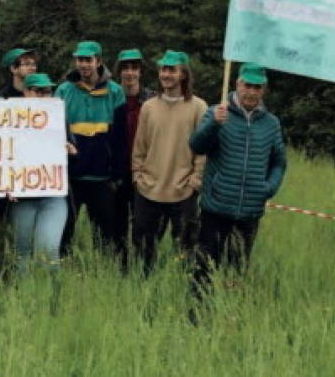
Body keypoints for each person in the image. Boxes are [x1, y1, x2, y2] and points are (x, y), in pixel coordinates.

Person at [188, 63, 286, 301]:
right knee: (204, 269)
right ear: (237, 84)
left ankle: (230, 316)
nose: (251, 92)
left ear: (264, 90)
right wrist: (214, 124)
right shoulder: (216, 113)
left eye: (257, 87)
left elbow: (279, 163)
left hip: (249, 213)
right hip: (216, 208)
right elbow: (196, 145)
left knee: (236, 272)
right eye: (247, 85)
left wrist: (268, 189)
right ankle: (196, 318)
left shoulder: (271, 124)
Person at [131, 51, 207, 275]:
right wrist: (137, 175)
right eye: (163, 69)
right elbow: (140, 146)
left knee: (185, 251)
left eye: (171, 70)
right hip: (149, 188)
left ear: (183, 74)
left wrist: (196, 180)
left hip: (183, 190)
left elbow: (203, 151)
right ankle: (143, 289)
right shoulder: (149, 107)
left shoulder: (198, 107)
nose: (166, 74)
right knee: (143, 250)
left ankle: (180, 288)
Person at [55, 41, 127, 265]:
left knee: (105, 236)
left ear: (99, 61)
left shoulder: (115, 92)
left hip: (102, 178)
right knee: (65, 232)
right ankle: (63, 270)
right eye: (80, 60)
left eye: (88, 60)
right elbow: (54, 132)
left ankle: (104, 273)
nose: (83, 64)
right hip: (71, 178)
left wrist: (117, 175)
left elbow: (119, 138)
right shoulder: (64, 90)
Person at [8, 73, 74, 274]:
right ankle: (25, 300)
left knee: (49, 249)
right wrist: (4, 184)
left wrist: (71, 151)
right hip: (22, 198)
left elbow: (73, 149)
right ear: (26, 92)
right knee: (23, 255)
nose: (44, 96)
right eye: (38, 91)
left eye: (47, 91)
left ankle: (53, 301)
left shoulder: (57, 117)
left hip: (53, 196)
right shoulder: (9, 119)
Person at [0, 47, 38, 276]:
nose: (31, 67)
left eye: (32, 63)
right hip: (1, 183)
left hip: (31, 182)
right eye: (25, 63)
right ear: (13, 69)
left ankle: (24, 277)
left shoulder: (42, 98)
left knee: (25, 234)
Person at [112, 48, 156, 257]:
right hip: (117, 171)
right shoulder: (110, 97)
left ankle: (141, 265)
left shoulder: (153, 100)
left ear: (140, 71)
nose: (130, 73)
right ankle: (119, 266)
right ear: (119, 71)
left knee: (143, 224)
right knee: (117, 225)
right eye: (125, 68)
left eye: (134, 68)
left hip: (145, 171)